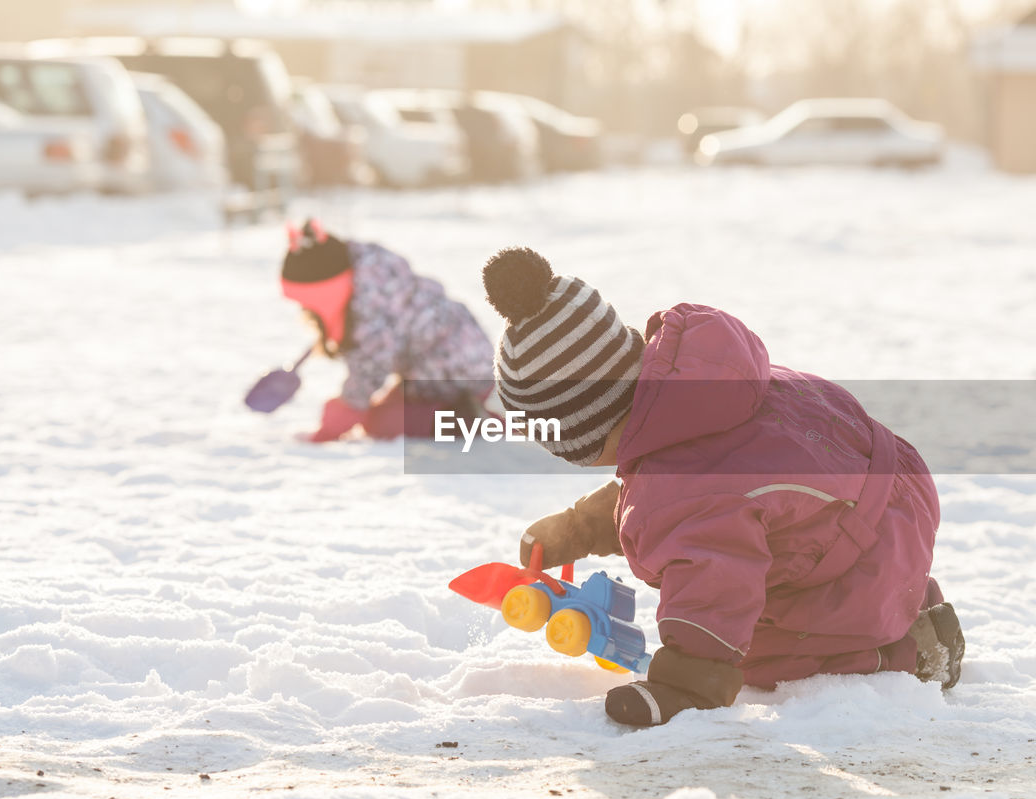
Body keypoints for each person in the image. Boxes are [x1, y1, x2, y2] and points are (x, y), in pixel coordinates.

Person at [481, 246, 964, 728]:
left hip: (868, 540)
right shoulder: (694, 393)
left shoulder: (682, 490)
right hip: (884, 488)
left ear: (582, 429)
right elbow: (677, 493)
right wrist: (580, 527)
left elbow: (712, 578)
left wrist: (685, 681)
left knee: (759, 654)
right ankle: (899, 598)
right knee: (782, 562)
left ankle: (912, 651)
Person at [280, 221, 494, 442]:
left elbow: (370, 369)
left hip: (453, 374)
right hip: (458, 362)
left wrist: (341, 415)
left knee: (381, 422)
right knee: (383, 410)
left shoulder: (370, 309)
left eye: (309, 304)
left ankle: (468, 421)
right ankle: (472, 410)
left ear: (327, 295)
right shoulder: (372, 280)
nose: (305, 310)